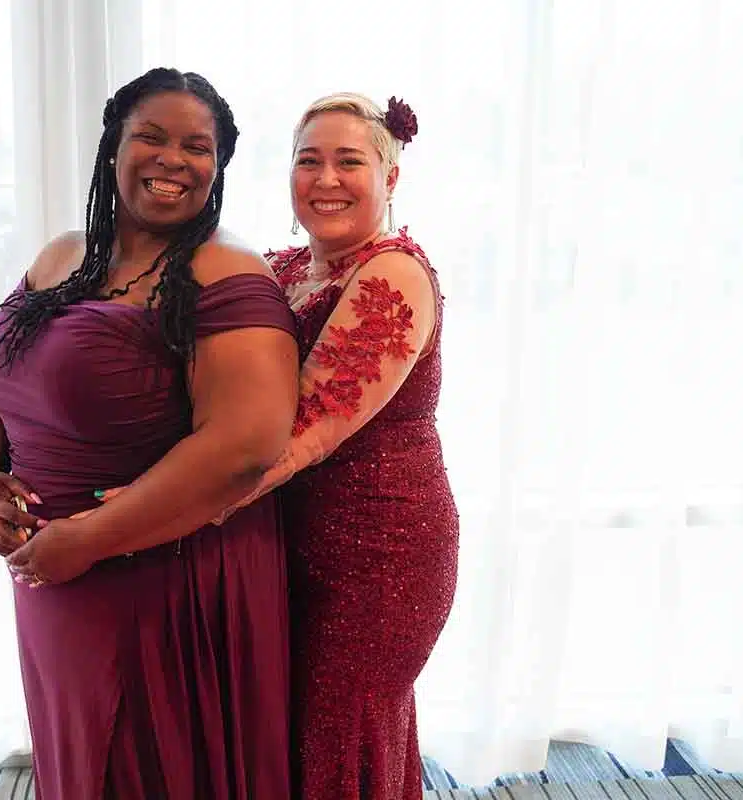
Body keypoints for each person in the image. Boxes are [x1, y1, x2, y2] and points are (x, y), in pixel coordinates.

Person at [94, 91, 459, 798]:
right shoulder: (283, 268)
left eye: (348, 162)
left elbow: (293, 439)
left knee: (338, 736)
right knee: (294, 736)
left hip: (378, 559)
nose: (326, 180)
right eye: (308, 161)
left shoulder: (394, 273)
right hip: (288, 540)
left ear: (389, 178)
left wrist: (146, 510)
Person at [0, 67, 299, 799]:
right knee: (83, 759)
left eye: (197, 147)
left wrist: (91, 538)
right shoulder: (65, 254)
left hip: (164, 581)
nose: (173, 159)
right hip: (56, 580)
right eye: (151, 136)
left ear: (219, 166)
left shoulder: (225, 271)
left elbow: (245, 448)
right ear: (113, 145)